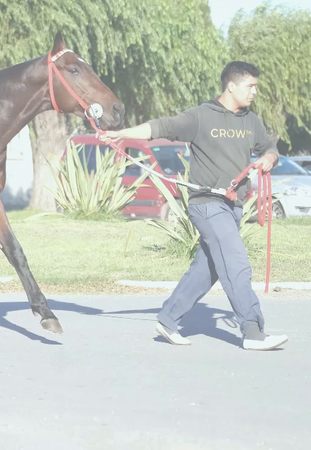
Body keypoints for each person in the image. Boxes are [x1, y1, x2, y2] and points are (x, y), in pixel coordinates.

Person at [98, 61, 288, 351]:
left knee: (208, 269)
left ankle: (169, 318)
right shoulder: (201, 116)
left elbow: (270, 147)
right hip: (208, 204)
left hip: (234, 205)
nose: (254, 92)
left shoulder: (251, 120)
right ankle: (252, 330)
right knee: (236, 261)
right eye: (250, 86)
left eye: (256, 87)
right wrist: (121, 134)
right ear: (231, 86)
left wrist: (268, 160)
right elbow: (162, 127)